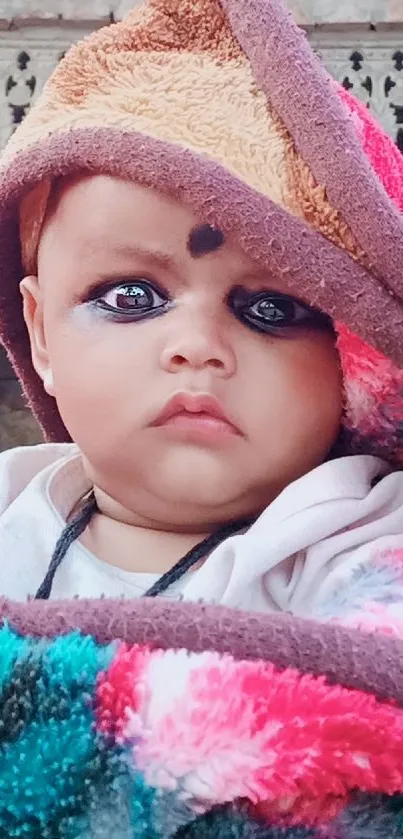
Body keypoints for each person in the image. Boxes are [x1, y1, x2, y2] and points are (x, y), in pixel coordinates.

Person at [0, 0, 402, 629]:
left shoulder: (351, 536)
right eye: (131, 297)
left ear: (355, 362)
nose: (196, 345)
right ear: (41, 334)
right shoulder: (10, 504)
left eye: (271, 308)